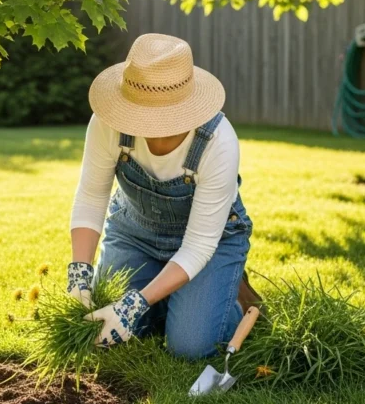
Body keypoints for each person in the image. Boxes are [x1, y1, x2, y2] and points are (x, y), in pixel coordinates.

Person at [67, 33, 262, 359]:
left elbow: (199, 245)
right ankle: (175, 300)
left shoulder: (217, 141)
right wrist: (79, 273)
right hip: (134, 234)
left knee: (190, 347)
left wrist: (135, 302)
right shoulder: (108, 122)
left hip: (209, 246)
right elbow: (91, 197)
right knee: (103, 329)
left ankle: (229, 295)